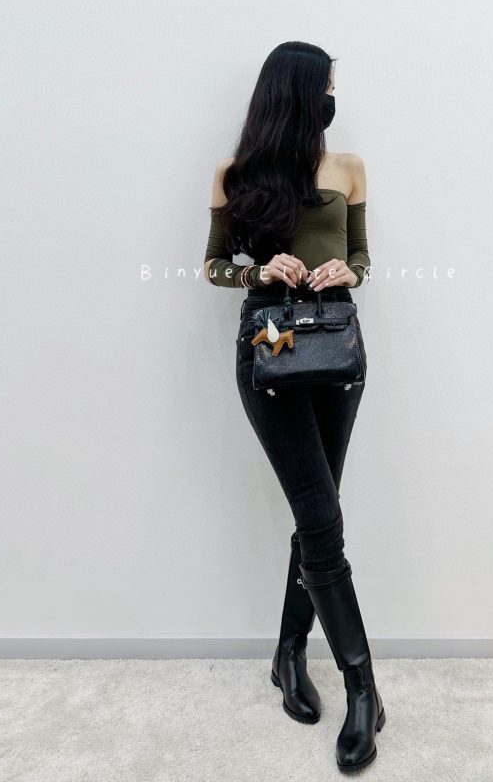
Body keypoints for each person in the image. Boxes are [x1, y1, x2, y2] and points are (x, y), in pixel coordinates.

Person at [202, 41, 385, 773]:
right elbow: (214, 265)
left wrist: (348, 270)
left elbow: (364, 258)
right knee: (320, 516)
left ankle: (287, 653)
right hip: (270, 349)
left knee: (319, 513)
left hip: (336, 349)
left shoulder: (349, 168)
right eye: (328, 87)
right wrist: (258, 270)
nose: (334, 99)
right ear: (301, 94)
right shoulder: (236, 173)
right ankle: (363, 689)